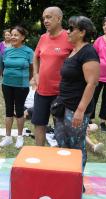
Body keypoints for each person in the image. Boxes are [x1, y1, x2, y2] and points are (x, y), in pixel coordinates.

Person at [54, 16, 99, 180]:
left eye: (71, 28)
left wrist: (80, 111)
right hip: (63, 105)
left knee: (76, 146)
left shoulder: (88, 52)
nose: (67, 31)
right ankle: (65, 178)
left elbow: (92, 83)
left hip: (76, 109)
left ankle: (76, 182)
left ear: (82, 32)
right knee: (62, 142)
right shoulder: (74, 50)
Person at [32, 6, 73, 146]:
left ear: (59, 18)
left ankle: (61, 157)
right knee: (39, 123)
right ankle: (39, 154)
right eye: (44, 18)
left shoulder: (69, 37)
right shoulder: (43, 38)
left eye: (49, 17)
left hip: (61, 93)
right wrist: (35, 74)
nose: (45, 20)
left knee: (61, 127)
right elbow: (35, 56)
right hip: (42, 90)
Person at [0, 26, 34, 148]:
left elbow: (32, 69)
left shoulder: (28, 51)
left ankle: (19, 137)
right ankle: (8, 137)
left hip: (21, 86)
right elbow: (3, 66)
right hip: (7, 84)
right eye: (12, 34)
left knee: (19, 111)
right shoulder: (7, 50)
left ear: (23, 37)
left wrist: (26, 80)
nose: (13, 37)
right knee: (8, 110)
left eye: (16, 35)